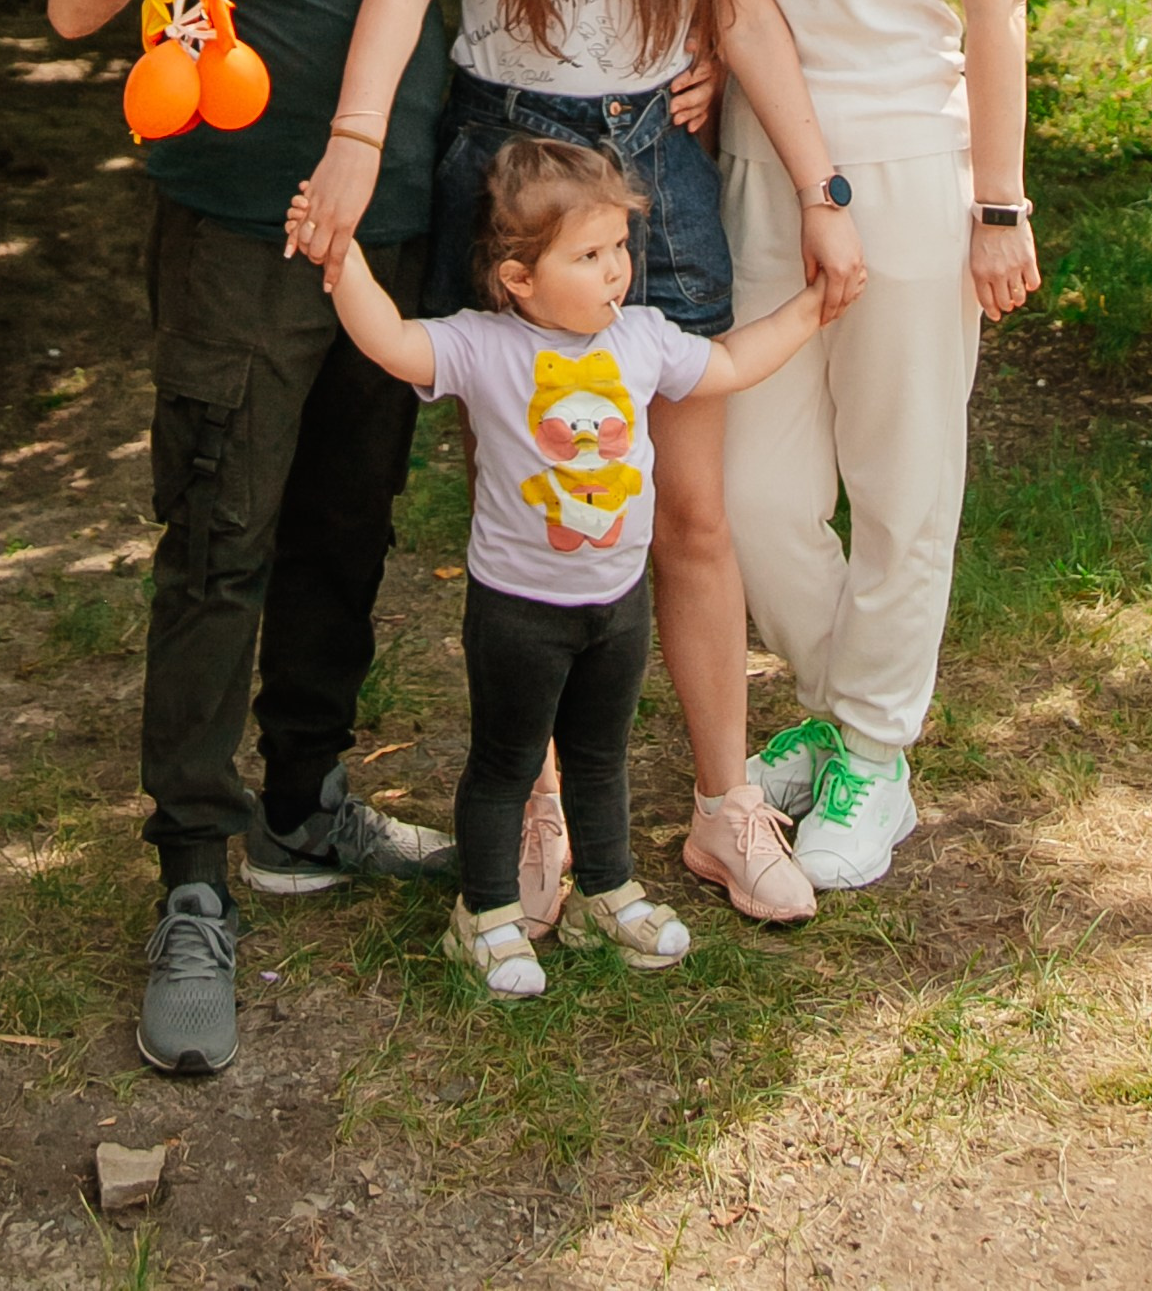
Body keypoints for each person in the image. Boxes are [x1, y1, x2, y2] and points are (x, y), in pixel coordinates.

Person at [285, 0, 867, 933]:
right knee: (540, 509)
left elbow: (748, 13)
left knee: (694, 512)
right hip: (515, 169)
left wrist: (820, 183)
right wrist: (357, 141)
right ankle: (537, 798)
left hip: (657, 174)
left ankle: (725, 804)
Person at [44, 0, 456, 1080]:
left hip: (393, 236)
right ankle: (195, 875)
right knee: (220, 533)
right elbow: (76, 3)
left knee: (350, 522)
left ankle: (304, 798)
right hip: (240, 229)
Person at [665, 0, 1039, 893]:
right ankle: (848, 707)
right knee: (755, 494)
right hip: (768, 165)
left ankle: (871, 755)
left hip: (909, 164)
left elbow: (994, 6)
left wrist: (999, 203)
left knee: (899, 482)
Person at [325, 135, 835, 997]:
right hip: (518, 611)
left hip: (617, 602)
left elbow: (731, 364)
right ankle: (483, 918)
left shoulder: (642, 338)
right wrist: (338, 257)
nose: (615, 271)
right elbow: (389, 344)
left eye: (619, 249)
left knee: (602, 760)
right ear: (518, 278)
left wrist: (811, 310)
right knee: (505, 766)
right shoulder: (482, 345)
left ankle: (607, 892)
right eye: (588, 254)